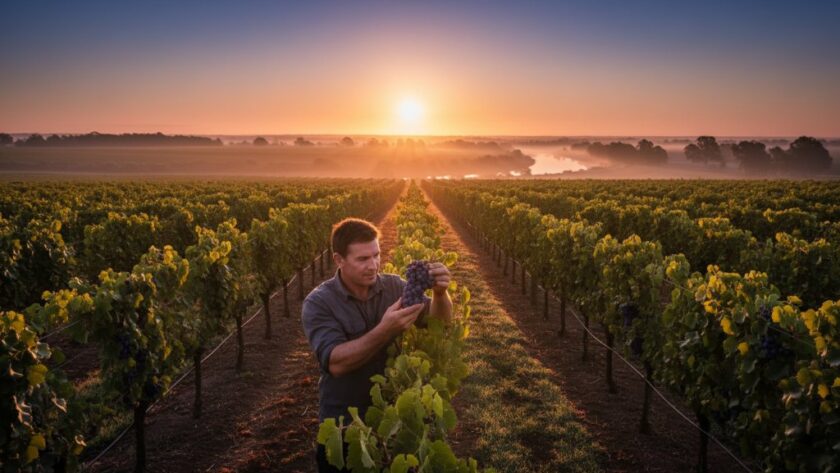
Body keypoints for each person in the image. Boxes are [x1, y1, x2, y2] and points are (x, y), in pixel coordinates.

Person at [301, 217, 452, 472]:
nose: (373, 265)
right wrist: (385, 330)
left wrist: (440, 293)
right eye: (362, 259)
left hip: (394, 422)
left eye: (376, 255)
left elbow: (440, 324)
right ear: (339, 260)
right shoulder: (319, 303)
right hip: (345, 427)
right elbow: (336, 362)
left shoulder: (394, 286)